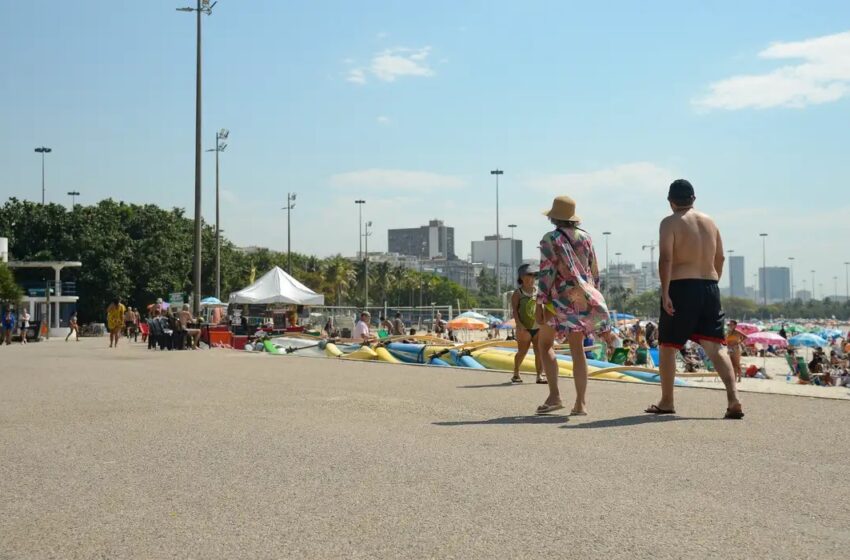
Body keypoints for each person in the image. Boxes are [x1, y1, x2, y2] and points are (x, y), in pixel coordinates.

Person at [650, 179, 743, 419]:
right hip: (710, 286)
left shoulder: (670, 222)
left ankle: (667, 401)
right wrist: (712, 282)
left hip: (682, 286)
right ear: (693, 199)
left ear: (671, 202)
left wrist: (666, 291)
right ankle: (733, 398)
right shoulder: (710, 222)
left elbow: (666, 259)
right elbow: (720, 258)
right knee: (715, 346)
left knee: (668, 345)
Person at [535, 196, 614, 415]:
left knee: (545, 345)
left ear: (553, 217)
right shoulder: (586, 238)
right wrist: (591, 295)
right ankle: (580, 403)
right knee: (577, 350)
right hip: (581, 299)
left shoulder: (550, 238)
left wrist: (539, 301)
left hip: (556, 300)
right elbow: (593, 271)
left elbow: (547, 271)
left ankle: (554, 396)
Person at [510, 263, 545, 384]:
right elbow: (514, 310)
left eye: (533, 276)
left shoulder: (539, 292)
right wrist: (519, 325)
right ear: (521, 278)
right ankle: (516, 372)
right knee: (522, 351)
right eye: (527, 276)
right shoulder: (518, 293)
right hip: (524, 327)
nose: (530, 279)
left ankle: (539, 375)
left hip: (538, 326)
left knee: (539, 351)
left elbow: (542, 308)